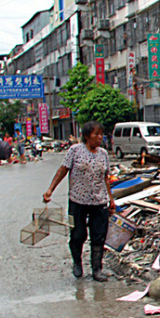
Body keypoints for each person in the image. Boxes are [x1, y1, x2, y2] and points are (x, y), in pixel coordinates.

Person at [42, 121, 116, 282]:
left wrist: (111, 199)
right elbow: (63, 170)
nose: (99, 138)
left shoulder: (103, 153)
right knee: (78, 234)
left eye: (101, 134)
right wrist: (50, 190)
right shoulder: (75, 151)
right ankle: (77, 263)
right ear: (87, 136)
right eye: (96, 134)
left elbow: (105, 177)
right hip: (78, 201)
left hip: (99, 201)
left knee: (99, 236)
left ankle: (97, 269)